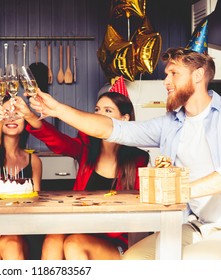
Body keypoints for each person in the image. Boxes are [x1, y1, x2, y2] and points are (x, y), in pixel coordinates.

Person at [28, 47, 221, 260]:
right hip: (193, 224)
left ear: (198, 75)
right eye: (166, 74)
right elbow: (114, 129)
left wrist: (175, 190)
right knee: (132, 261)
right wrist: (57, 109)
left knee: (189, 265)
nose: (166, 81)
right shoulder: (171, 123)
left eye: (174, 73)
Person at [15, 91, 150, 260]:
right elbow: (57, 140)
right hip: (81, 228)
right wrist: (29, 115)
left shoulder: (139, 159)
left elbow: (142, 217)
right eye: (97, 110)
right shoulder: (86, 148)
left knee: (73, 243)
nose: (99, 115)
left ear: (125, 119)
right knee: (53, 239)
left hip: (117, 243)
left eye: (108, 111)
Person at [0, 100, 42, 260]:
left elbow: (36, 203)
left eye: (16, 113)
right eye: (6, 114)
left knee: (12, 245)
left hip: (20, 227)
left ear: (25, 119)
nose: (11, 118)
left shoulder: (34, 161)